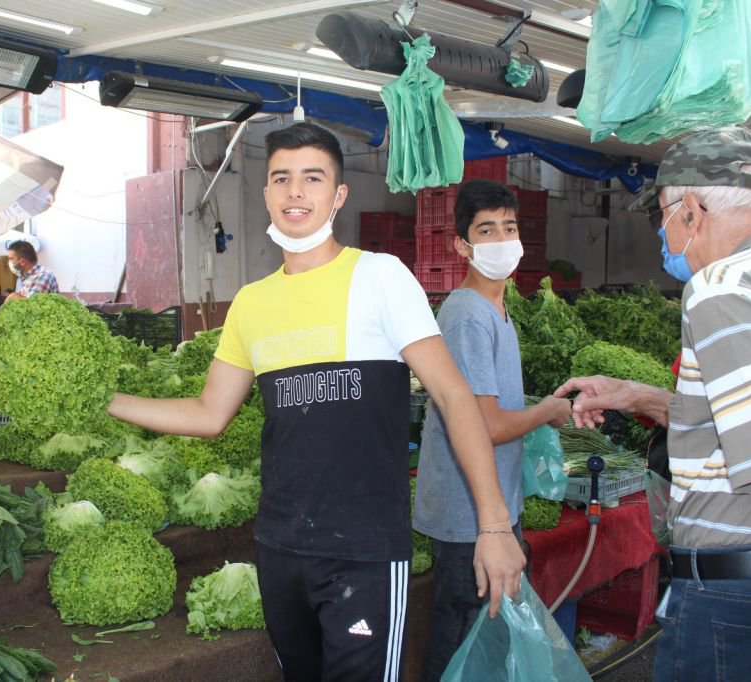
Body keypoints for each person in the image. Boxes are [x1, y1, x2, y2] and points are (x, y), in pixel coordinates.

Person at [106, 123, 524, 681]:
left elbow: (454, 396)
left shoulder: (380, 277)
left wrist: (493, 527)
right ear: (266, 194)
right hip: (280, 548)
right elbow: (208, 413)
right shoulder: (251, 304)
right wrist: (106, 401)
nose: (295, 192)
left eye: (312, 178)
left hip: (365, 552)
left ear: (338, 194)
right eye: (282, 178)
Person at [555, 128, 751, 682]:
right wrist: (638, 396)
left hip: (745, 594)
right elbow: (745, 418)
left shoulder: (725, 286)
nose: (662, 231)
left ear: (690, 209)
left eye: (661, 215)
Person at [413, 180, 572, 681]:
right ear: (462, 244)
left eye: (510, 227)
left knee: (485, 640)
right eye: (487, 229)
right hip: (468, 518)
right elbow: (487, 426)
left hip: (494, 508)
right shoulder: (466, 315)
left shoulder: (499, 309)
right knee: (462, 637)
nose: (502, 239)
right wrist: (546, 411)